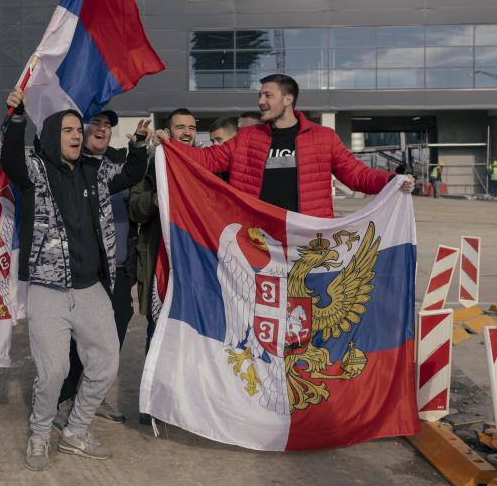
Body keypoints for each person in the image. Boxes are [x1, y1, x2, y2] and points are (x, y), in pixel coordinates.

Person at [1, 89, 149, 471]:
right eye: (67, 130)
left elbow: (132, 173)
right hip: (48, 290)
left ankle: (75, 432)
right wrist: (16, 116)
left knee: (105, 365)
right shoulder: (35, 170)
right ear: (53, 134)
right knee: (53, 373)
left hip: (91, 288)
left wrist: (139, 145)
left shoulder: (95, 171)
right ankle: (39, 433)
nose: (75, 136)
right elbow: (10, 160)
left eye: (76, 131)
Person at [155, 74, 415, 218]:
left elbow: (357, 175)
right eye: (260, 96)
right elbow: (207, 160)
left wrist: (392, 179)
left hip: (307, 244)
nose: (260, 101)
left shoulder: (323, 137)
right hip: (257, 241)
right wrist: (168, 145)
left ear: (288, 99)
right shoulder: (247, 138)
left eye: (268, 95)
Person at [53, 110, 130, 430]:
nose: (103, 129)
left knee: (112, 338)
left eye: (108, 125)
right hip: (85, 273)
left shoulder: (119, 165)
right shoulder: (71, 167)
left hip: (121, 269)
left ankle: (90, 398)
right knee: (74, 341)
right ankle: (63, 400)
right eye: (96, 124)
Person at [129, 108, 199, 425]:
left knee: (195, 338)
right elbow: (134, 209)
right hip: (161, 266)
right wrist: (154, 199)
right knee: (158, 335)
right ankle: (154, 406)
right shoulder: (151, 166)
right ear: (167, 132)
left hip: (196, 270)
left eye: (192, 127)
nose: (187, 132)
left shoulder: (206, 165)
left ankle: (188, 404)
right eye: (180, 127)